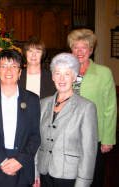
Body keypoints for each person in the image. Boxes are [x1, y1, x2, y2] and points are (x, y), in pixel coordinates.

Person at [0, 49, 41, 187]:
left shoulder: (32, 100)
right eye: (3, 66)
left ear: (20, 72)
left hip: (21, 169)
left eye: (14, 66)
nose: (9, 70)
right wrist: (3, 160)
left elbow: (35, 136)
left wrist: (20, 160)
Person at [34, 53, 98, 187]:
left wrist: (82, 183)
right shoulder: (43, 104)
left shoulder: (86, 107)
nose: (61, 79)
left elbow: (89, 151)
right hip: (44, 173)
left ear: (74, 77)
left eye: (67, 74)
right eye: (57, 73)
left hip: (70, 177)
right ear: (52, 76)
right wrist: (35, 172)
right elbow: (36, 141)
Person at [68, 28, 117, 187]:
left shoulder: (104, 73)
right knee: (71, 177)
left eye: (84, 47)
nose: (80, 51)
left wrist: (108, 139)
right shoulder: (65, 71)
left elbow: (110, 108)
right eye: (76, 47)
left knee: (93, 177)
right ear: (71, 49)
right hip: (69, 135)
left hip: (94, 135)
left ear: (91, 49)